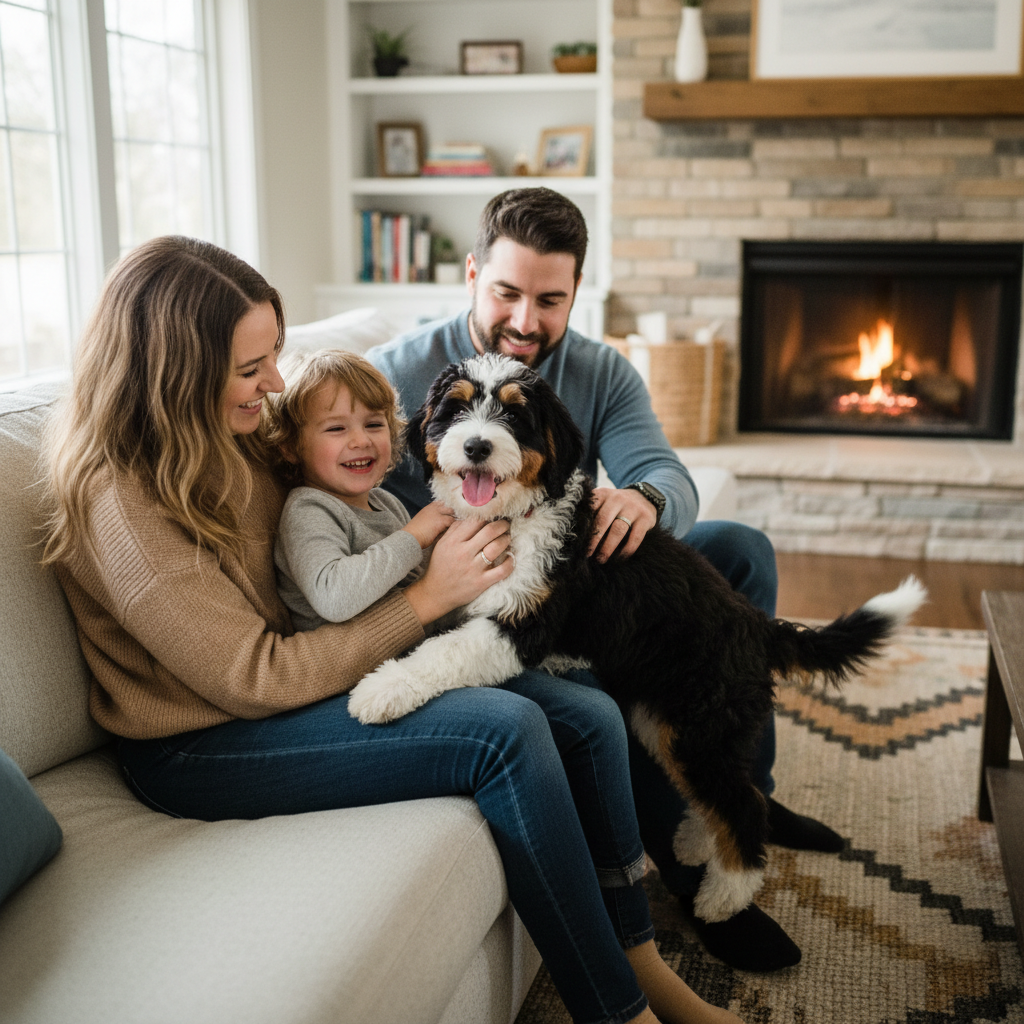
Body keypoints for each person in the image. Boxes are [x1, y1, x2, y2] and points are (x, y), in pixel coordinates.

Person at [41, 234, 743, 1024]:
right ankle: (622, 1014)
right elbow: (254, 678)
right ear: (174, 375)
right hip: (200, 740)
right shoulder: (121, 500)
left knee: (583, 713)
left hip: (290, 680)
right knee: (503, 729)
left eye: (274, 355)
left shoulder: (240, 437)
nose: (275, 382)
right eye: (251, 369)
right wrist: (423, 599)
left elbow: (354, 493)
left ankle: (639, 958)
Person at [367, 187, 845, 973]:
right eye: (507, 293)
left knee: (741, 549)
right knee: (595, 696)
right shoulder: (398, 375)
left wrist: (644, 498)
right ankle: (693, 855)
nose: (526, 321)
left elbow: (665, 470)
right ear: (472, 274)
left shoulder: (599, 369)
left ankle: (737, 785)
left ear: (576, 293)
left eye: (550, 300)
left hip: (572, 572)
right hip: (474, 602)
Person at [267, 348, 453, 631]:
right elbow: (333, 596)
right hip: (358, 669)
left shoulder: (386, 502)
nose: (361, 440)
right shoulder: (309, 509)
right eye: (336, 428)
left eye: (374, 424)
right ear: (290, 447)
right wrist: (414, 536)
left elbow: (424, 580)